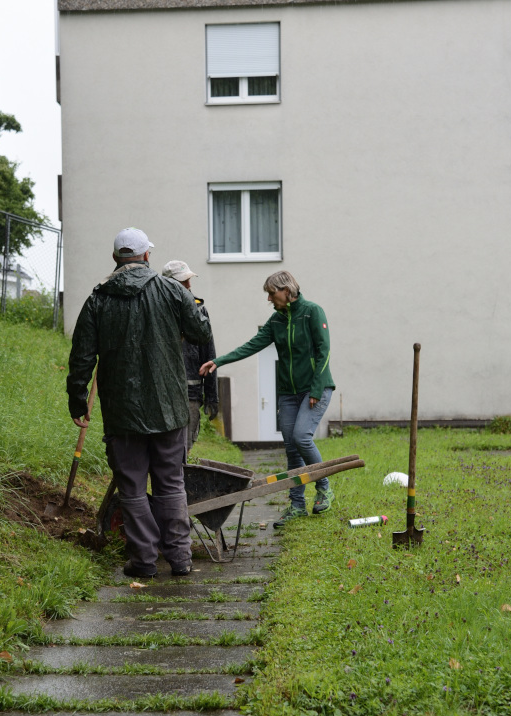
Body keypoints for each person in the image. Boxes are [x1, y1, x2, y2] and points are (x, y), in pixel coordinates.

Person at [67, 228, 213, 578]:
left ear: (116, 259)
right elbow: (201, 331)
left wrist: (77, 402)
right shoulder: (172, 290)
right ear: (147, 256)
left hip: (123, 413)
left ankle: (144, 561)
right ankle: (180, 559)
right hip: (169, 409)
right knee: (171, 483)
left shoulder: (98, 299)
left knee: (132, 487)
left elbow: (81, 358)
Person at [199, 271, 335, 528]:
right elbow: (251, 346)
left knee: (301, 437)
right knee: (291, 448)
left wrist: (317, 389)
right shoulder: (276, 321)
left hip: (314, 389)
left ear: (286, 290)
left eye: (272, 294)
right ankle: (296, 505)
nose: (270, 299)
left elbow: (324, 351)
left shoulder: (312, 312)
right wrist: (218, 361)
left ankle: (324, 487)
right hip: (287, 393)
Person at [161, 260, 218, 450]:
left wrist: (212, 396)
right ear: (168, 284)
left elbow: (209, 355)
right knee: (165, 448)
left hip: (190, 393)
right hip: (162, 394)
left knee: (185, 447)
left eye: (189, 280)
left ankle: (179, 478)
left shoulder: (199, 310)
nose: (189, 285)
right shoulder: (155, 311)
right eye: (183, 281)